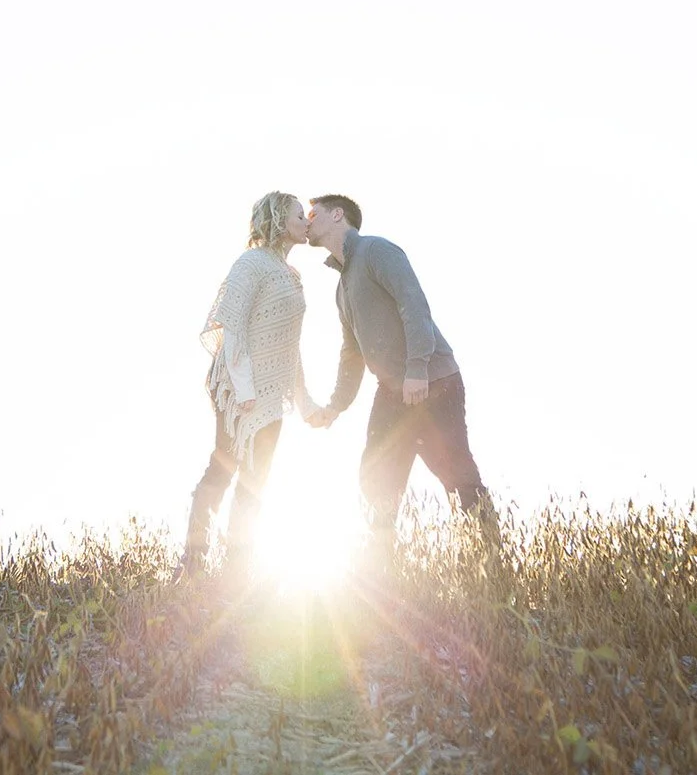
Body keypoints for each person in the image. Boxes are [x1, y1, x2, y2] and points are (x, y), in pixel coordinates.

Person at [305, 194, 501, 567]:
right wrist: (335, 405)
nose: (307, 221)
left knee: (456, 472)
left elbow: (413, 304)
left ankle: (492, 562)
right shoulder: (341, 288)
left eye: (313, 213)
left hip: (433, 380)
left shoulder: (376, 251)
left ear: (337, 215)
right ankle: (383, 566)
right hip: (393, 391)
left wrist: (416, 369)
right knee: (375, 474)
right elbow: (352, 353)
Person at [178, 191, 320, 583]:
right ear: (277, 220)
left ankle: (237, 569)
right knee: (222, 469)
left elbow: (289, 347)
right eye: (298, 215)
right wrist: (243, 390)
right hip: (238, 390)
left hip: (272, 396)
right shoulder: (251, 263)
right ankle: (192, 563)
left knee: (257, 480)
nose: (306, 222)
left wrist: (305, 404)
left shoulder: (292, 275)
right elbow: (233, 325)